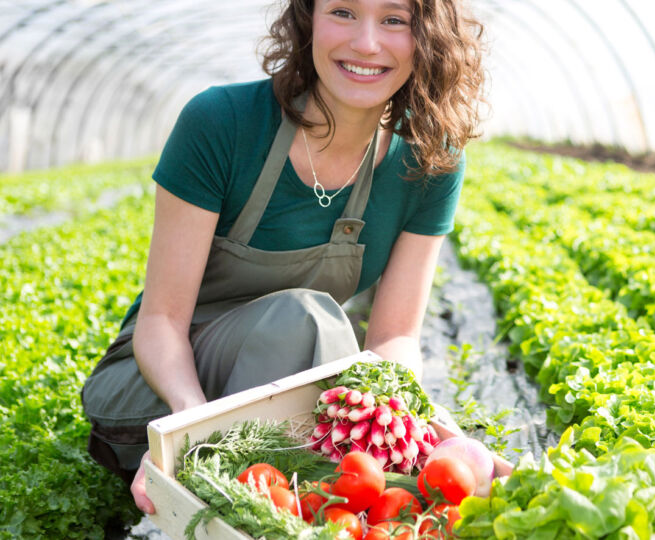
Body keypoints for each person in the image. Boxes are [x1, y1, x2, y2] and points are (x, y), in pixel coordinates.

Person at [81, 0, 487, 514]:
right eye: (342, 11)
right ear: (307, 21)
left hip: (284, 390)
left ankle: (297, 495)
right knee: (307, 322)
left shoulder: (431, 157)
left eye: (394, 19)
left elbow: (394, 338)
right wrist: (192, 429)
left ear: (428, 36)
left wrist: (401, 416)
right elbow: (161, 320)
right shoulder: (223, 123)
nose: (366, 42)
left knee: (347, 368)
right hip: (164, 384)